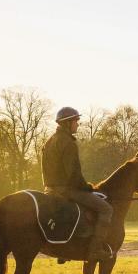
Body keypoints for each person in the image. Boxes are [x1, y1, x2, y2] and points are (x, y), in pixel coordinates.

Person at [41, 107, 114, 261]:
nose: (78, 124)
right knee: (106, 208)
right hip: (66, 190)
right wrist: (87, 187)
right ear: (68, 123)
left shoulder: (49, 141)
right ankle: (95, 251)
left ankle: (66, 248)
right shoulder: (68, 143)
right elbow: (73, 174)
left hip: (49, 189)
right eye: (76, 121)